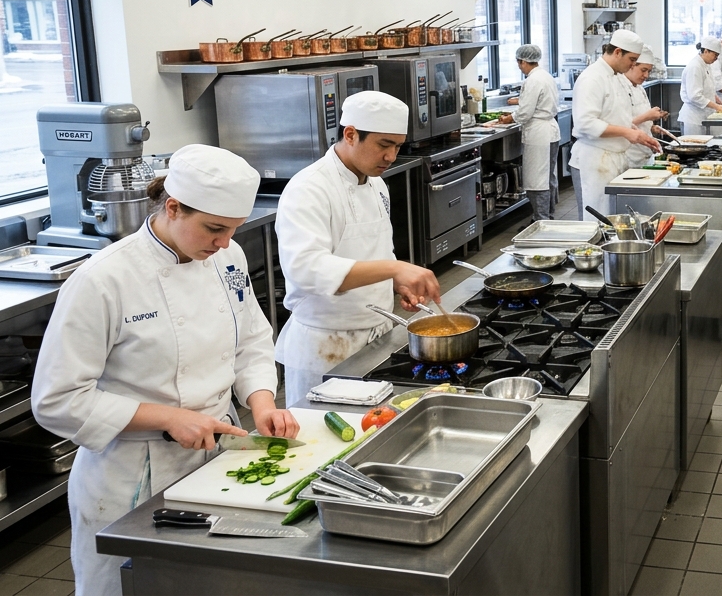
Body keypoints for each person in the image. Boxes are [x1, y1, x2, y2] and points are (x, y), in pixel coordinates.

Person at [33, 145, 299, 596]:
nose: (223, 243)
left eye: (232, 231)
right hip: (131, 474)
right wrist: (170, 418)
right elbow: (57, 399)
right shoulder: (104, 280)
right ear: (172, 207)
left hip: (216, 460)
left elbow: (251, 337)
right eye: (214, 228)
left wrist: (261, 401)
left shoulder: (224, 258)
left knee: (210, 583)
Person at [275, 91, 441, 403]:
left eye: (397, 146)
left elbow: (376, 251)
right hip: (326, 347)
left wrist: (396, 281)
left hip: (376, 337)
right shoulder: (309, 189)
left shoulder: (376, 183)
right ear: (350, 134)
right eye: (383, 145)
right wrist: (394, 268)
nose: (391, 156)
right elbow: (306, 270)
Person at [571, 29, 661, 217]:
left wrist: (639, 134)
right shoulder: (592, 77)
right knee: (598, 218)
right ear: (618, 52)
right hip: (596, 159)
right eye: (632, 60)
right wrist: (627, 133)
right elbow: (585, 123)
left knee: (614, 218)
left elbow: (618, 115)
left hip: (614, 158)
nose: (632, 65)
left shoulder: (616, 77)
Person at [498, 44, 561, 221]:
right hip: (550, 131)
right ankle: (547, 216)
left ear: (524, 61)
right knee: (547, 177)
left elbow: (525, 112)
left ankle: (541, 220)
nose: (519, 66)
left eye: (519, 63)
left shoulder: (532, 80)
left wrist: (509, 118)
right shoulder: (545, 76)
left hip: (539, 134)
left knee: (537, 180)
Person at [624, 45, 671, 167]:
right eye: (643, 70)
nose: (646, 75)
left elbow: (638, 119)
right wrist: (647, 116)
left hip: (644, 152)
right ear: (631, 65)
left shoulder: (640, 88)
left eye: (649, 71)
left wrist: (652, 127)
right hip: (629, 154)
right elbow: (619, 125)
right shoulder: (619, 88)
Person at [681, 36, 722, 135]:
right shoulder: (695, 67)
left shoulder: (706, 65)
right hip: (693, 119)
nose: (716, 59)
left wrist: (721, 104)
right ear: (706, 51)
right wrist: (717, 106)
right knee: (694, 148)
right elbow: (695, 96)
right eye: (715, 55)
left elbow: (709, 90)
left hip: (703, 116)